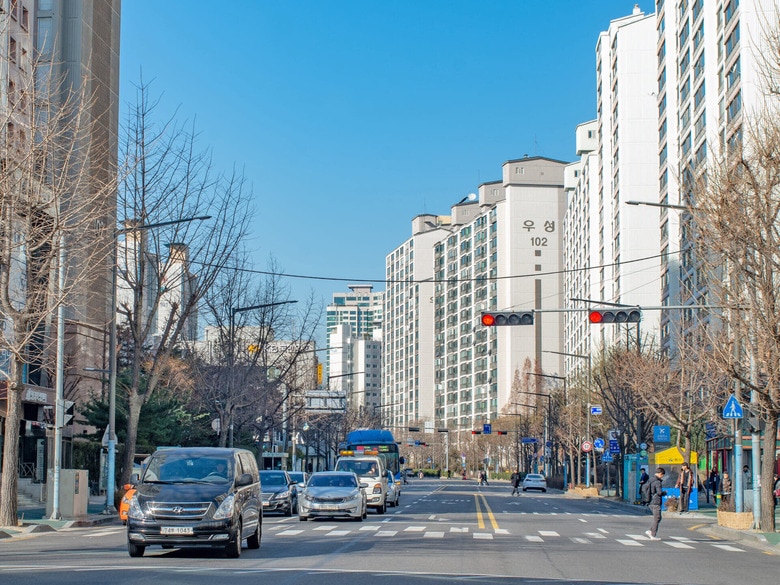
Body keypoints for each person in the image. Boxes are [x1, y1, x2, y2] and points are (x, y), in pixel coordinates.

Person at [645, 467, 667, 541]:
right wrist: (664, 493)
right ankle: (652, 534)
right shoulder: (657, 482)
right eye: (662, 475)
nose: (662, 476)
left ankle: (650, 531)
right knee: (657, 518)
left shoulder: (650, 479)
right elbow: (659, 492)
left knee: (658, 518)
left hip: (650, 501)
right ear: (660, 474)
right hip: (656, 501)